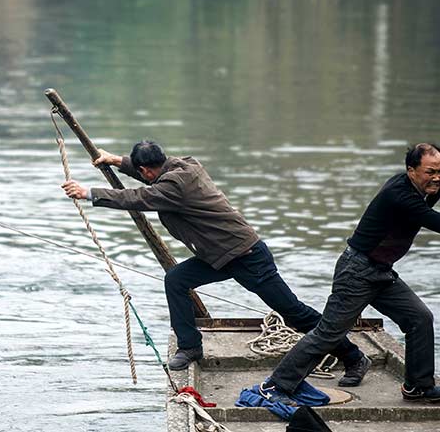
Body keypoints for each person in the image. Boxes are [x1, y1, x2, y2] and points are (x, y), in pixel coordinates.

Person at [61, 140, 371, 386]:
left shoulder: (172, 186)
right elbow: (149, 179)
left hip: (247, 256)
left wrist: (89, 193)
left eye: (143, 171)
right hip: (219, 256)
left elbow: (139, 197)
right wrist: (115, 160)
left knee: (294, 312)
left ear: (147, 170)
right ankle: (191, 346)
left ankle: (354, 357)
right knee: (177, 280)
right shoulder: (183, 165)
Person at [263, 143, 440, 404]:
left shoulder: (411, 185)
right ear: (411, 171)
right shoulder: (402, 196)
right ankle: (276, 386)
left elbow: (429, 187)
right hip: (357, 272)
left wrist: (436, 181)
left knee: (419, 318)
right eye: (430, 171)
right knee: (328, 334)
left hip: (381, 272)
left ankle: (418, 386)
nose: (437, 176)